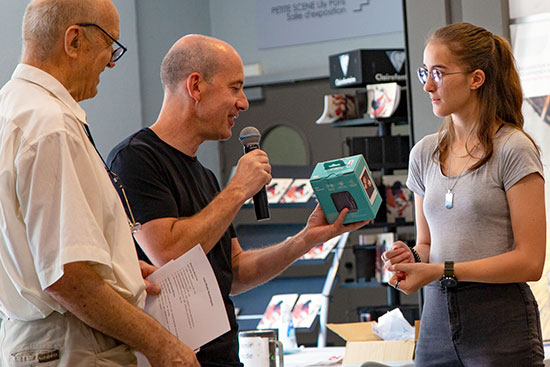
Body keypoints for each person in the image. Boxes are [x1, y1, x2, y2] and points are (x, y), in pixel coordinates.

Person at [107, 34, 367, 367]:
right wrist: (238, 190)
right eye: (235, 88)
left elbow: (236, 273)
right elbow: (168, 253)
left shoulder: (205, 176)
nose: (243, 103)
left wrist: (305, 240)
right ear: (196, 86)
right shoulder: (135, 160)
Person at [0, 1, 199, 366]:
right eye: (111, 44)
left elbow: (36, 252)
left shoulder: (12, 108)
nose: (111, 61)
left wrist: (115, 263)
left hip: (35, 339)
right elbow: (67, 277)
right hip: (73, 342)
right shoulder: (50, 125)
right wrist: (164, 346)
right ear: (74, 41)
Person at [382, 22, 546, 366]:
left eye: (439, 73)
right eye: (425, 71)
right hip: (435, 324)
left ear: (476, 78)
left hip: (499, 323)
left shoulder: (513, 149)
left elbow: (531, 262)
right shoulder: (423, 153)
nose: (427, 85)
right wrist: (409, 260)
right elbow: (426, 246)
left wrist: (442, 270)